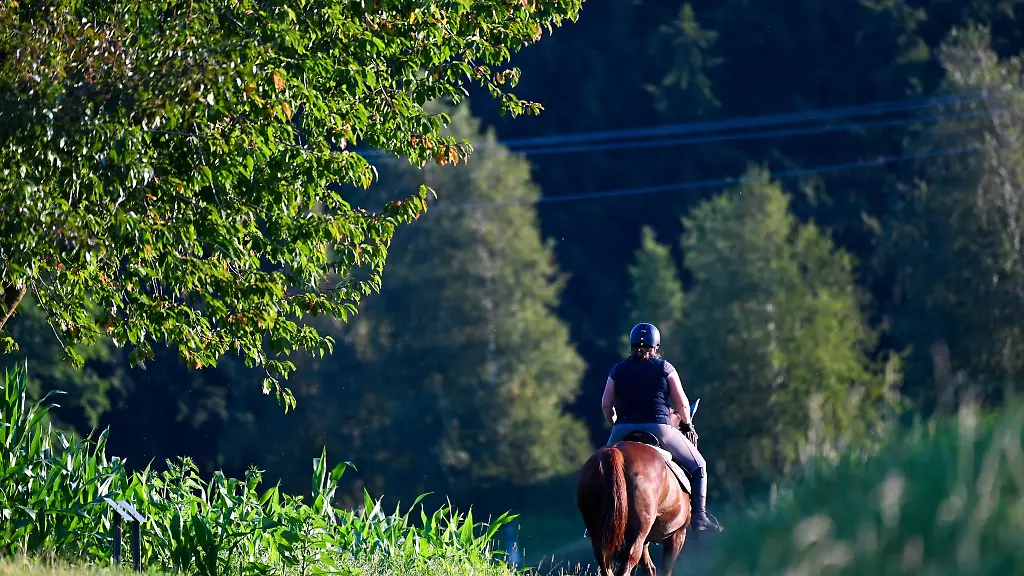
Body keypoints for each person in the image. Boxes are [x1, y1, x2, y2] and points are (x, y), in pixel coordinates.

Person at [601, 322, 723, 533]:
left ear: (631, 345)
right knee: (699, 466)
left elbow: (606, 404)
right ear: (656, 346)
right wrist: (687, 424)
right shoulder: (665, 367)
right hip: (660, 429)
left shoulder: (617, 370)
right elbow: (682, 405)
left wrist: (614, 422)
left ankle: (600, 517)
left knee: (604, 471)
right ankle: (700, 518)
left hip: (622, 429)